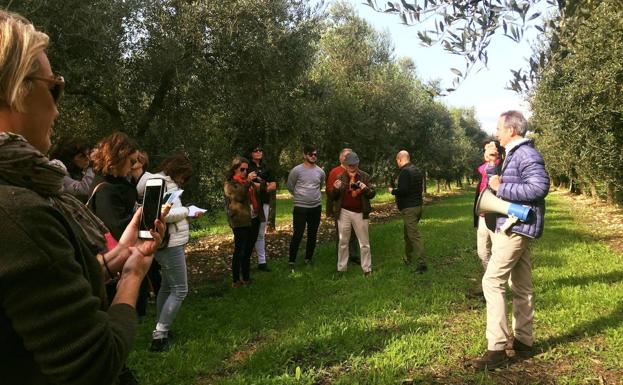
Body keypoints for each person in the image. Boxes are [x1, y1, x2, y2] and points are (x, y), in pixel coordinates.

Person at [0, 10, 163, 385]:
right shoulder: (18, 212)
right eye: (54, 87)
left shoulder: (26, 193)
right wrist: (132, 277)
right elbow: (94, 363)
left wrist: (121, 255)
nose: (58, 108)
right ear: (16, 90)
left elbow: (42, 291)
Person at [468, 110, 550, 370]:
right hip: (519, 226)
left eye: (499, 129)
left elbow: (540, 187)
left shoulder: (526, 153)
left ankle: (498, 347)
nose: (496, 133)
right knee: (522, 285)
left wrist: (502, 187)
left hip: (515, 228)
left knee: (491, 281)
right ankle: (524, 342)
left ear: (511, 130)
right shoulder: (516, 152)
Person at [136, 153, 195, 352]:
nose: (183, 181)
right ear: (176, 171)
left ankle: (161, 328)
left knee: (167, 287)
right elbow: (164, 214)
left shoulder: (158, 181)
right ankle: (159, 336)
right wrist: (188, 211)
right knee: (180, 289)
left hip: (166, 242)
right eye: (183, 176)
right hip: (170, 243)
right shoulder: (165, 184)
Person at [330, 151, 376, 276]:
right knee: (343, 241)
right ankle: (341, 269)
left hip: (360, 212)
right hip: (344, 212)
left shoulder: (365, 176)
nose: (351, 167)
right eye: (349, 165)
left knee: (364, 243)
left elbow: (372, 194)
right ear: (345, 164)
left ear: (357, 164)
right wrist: (335, 188)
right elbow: (334, 197)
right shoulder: (340, 176)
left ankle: (367, 269)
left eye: (354, 165)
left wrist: (365, 188)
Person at [224, 156, 264, 287]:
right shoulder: (230, 184)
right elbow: (239, 196)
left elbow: (260, 192)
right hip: (240, 221)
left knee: (248, 250)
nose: (245, 172)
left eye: (247, 170)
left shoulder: (247, 182)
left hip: (253, 219)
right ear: (235, 169)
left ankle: (246, 278)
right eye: (242, 169)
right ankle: (236, 280)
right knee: (239, 250)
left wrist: (260, 182)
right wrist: (247, 182)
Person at [470, 140, 503, 297]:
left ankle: (494, 288)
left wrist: (492, 160)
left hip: (496, 217)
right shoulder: (485, 167)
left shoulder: (502, 166)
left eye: (491, 147)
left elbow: (493, 174)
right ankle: (489, 284)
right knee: (483, 252)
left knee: (498, 252)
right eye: (486, 149)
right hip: (483, 215)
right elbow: (483, 171)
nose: (488, 150)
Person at [286, 145, 325, 272]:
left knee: (312, 234)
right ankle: (291, 261)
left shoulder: (320, 172)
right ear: (304, 155)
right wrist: (300, 196)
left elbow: (319, 186)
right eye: (311, 154)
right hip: (300, 208)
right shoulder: (296, 171)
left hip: (315, 208)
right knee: (297, 235)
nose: (313, 156)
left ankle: (308, 259)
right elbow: (290, 186)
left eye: (315, 154)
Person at [390, 150, 426, 273]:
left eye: (397, 161)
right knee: (407, 234)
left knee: (414, 236)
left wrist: (392, 191)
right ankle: (407, 258)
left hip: (409, 208)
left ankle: (422, 264)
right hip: (418, 206)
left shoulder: (405, 172)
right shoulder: (416, 170)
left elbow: (404, 190)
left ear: (400, 159)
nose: (397, 164)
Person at [326, 148, 361, 265]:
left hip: (356, 209)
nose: (348, 159)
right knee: (342, 236)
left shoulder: (356, 171)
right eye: (346, 156)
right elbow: (329, 191)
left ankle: (354, 256)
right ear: (341, 158)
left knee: (354, 234)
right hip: (341, 208)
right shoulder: (335, 172)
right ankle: (342, 260)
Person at [248, 145, 277, 271]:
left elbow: (274, 185)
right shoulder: (247, 167)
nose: (259, 152)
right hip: (250, 203)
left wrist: (261, 185)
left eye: (261, 150)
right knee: (249, 232)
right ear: (251, 153)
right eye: (256, 150)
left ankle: (262, 262)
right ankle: (245, 262)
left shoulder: (266, 167)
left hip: (264, 202)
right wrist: (265, 186)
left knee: (261, 233)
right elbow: (248, 184)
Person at [48, 136, 95, 202]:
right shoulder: (58, 172)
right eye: (81, 156)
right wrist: (92, 167)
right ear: (69, 159)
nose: (88, 158)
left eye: (88, 154)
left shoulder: (80, 173)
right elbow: (83, 190)